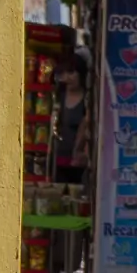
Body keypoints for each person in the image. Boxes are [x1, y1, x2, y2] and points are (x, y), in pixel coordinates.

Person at [53, 50, 91, 185]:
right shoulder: (58, 98)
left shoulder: (88, 99)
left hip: (79, 163)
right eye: (63, 73)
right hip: (58, 160)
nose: (67, 78)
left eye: (71, 73)